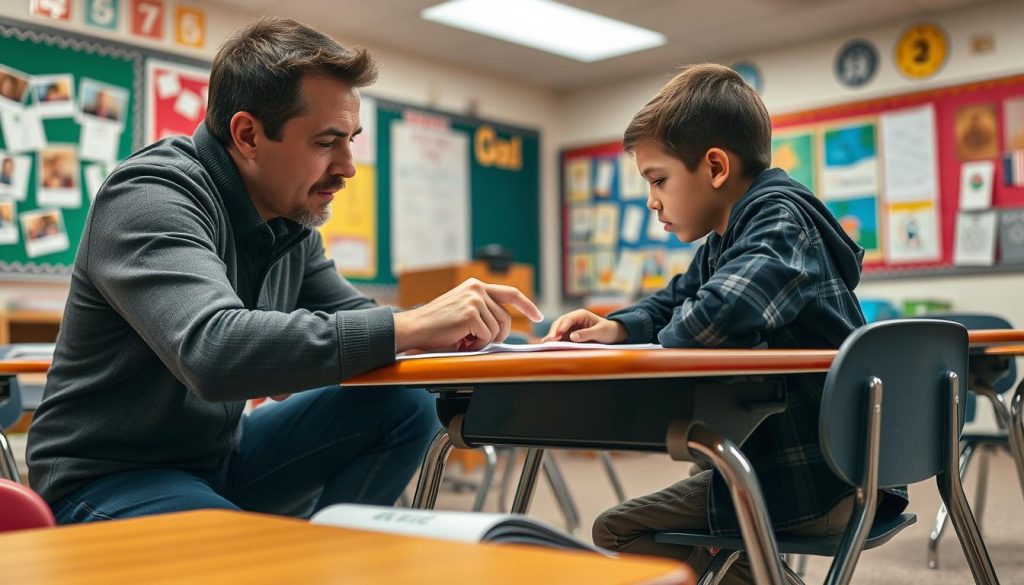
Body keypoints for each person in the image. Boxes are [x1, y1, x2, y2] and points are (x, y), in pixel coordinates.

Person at [27, 16, 542, 525]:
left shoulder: (289, 223)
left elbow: (357, 322)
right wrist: (411, 324)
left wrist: (507, 344)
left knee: (401, 401)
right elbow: (214, 350)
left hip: (221, 459)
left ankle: (339, 554)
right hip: (109, 478)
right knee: (247, 557)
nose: (347, 166)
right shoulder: (150, 195)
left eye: (351, 140)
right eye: (326, 142)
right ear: (248, 134)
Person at [541, 64, 906, 583]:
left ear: (714, 166)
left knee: (617, 530)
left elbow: (709, 319)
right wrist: (619, 328)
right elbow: (677, 301)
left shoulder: (781, 221)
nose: (652, 200)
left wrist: (668, 328)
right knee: (703, 469)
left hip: (818, 479)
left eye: (658, 179)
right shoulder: (728, 237)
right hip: (821, 467)